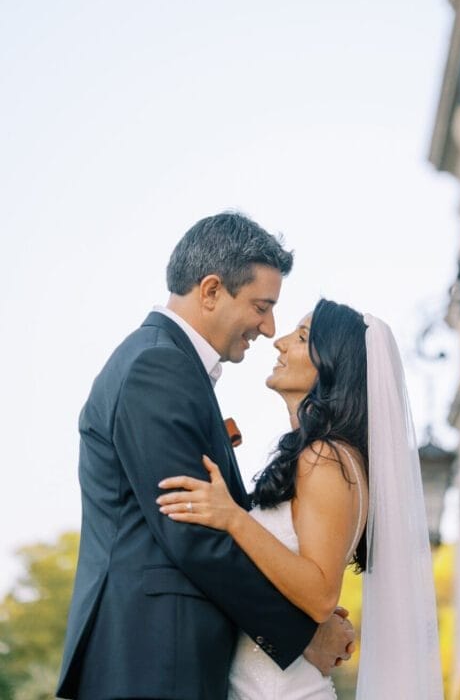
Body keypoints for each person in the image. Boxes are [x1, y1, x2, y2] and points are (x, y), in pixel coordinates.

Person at [57, 213, 354, 700]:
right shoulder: (158, 365)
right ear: (212, 290)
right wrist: (303, 635)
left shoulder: (163, 362)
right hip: (155, 657)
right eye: (261, 306)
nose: (269, 326)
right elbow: (192, 532)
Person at [156, 300, 444, 700]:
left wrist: (233, 519)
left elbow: (321, 593)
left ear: (332, 365)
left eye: (302, 337)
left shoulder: (325, 458)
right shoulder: (323, 457)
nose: (280, 343)